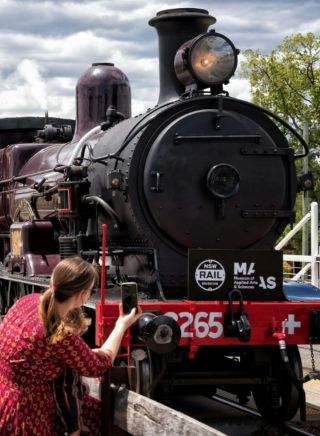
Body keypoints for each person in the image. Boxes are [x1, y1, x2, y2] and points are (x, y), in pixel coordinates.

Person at [0, 256, 142, 435]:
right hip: (27, 417)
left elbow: (35, 353)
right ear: (82, 294)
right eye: (91, 290)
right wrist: (122, 324)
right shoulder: (58, 334)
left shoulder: (27, 300)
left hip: (5, 399)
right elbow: (99, 365)